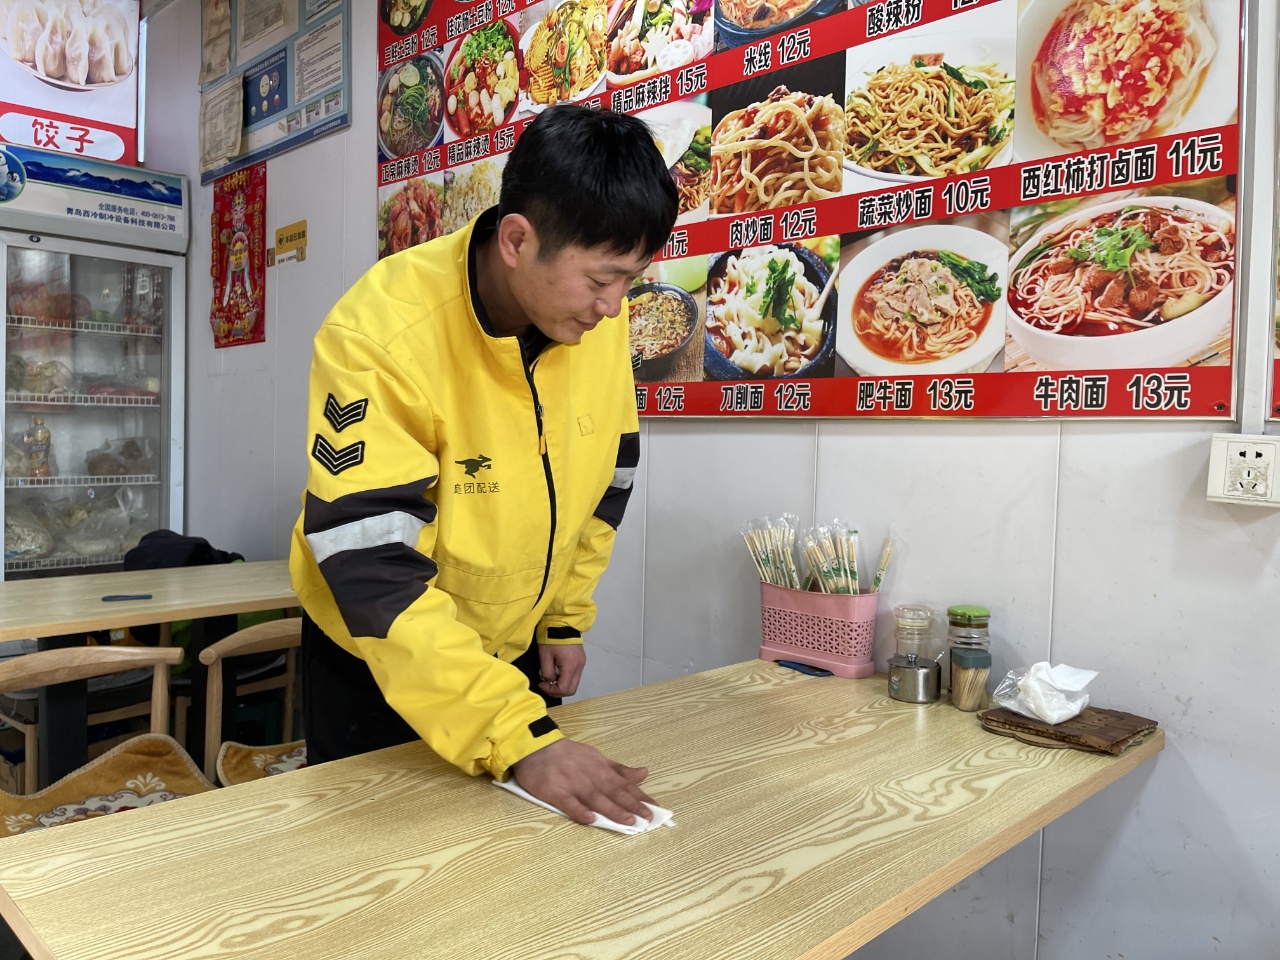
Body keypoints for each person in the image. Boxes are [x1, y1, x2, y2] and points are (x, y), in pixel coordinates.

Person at [289, 105, 678, 827]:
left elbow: (606, 483)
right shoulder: (380, 333)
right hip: (380, 654)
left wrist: (563, 622)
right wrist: (514, 735)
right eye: (602, 279)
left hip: (508, 650)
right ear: (517, 240)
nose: (613, 306)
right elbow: (372, 568)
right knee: (378, 864)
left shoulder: (596, 320)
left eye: (630, 280)